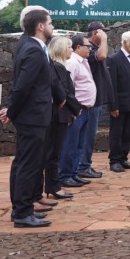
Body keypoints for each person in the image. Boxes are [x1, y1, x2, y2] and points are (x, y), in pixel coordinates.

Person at [0, 9, 56, 228]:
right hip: (32, 116)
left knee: (24, 163)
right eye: (50, 23)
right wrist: (11, 110)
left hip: (33, 115)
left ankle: (23, 207)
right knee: (28, 165)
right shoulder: (32, 49)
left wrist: (11, 109)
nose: (52, 27)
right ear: (40, 26)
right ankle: (22, 212)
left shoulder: (31, 46)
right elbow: (23, 85)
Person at [43, 36, 82, 202]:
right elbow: (64, 92)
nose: (71, 50)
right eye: (69, 47)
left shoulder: (59, 67)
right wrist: (77, 108)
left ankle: (53, 184)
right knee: (54, 153)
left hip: (62, 114)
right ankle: (53, 186)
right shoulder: (57, 67)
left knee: (55, 152)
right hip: (59, 115)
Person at [59, 34, 97, 190]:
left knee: (79, 144)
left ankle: (74, 173)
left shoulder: (83, 62)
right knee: (70, 144)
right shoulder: (72, 63)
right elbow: (67, 88)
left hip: (86, 109)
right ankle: (65, 175)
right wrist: (73, 109)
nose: (90, 49)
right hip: (77, 110)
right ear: (78, 47)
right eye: (88, 46)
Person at [78, 21, 114, 180]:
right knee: (87, 135)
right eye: (101, 32)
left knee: (89, 135)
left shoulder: (94, 48)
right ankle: (83, 166)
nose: (104, 35)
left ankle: (84, 165)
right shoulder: (89, 49)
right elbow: (102, 56)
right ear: (94, 33)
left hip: (96, 99)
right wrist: (104, 40)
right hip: (90, 101)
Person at [107, 30, 130, 173]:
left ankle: (123, 158)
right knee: (117, 133)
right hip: (119, 104)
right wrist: (113, 105)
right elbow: (112, 85)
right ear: (124, 43)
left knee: (128, 133)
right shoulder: (114, 59)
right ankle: (114, 160)